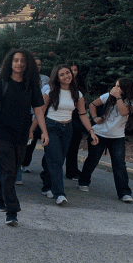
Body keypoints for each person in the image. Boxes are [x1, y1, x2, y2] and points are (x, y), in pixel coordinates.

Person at [0, 49, 49, 226]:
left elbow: (38, 110)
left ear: (27, 64)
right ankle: (12, 212)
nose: (19, 63)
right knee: (10, 172)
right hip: (2, 133)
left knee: (9, 170)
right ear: (10, 63)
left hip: (22, 134)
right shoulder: (0, 83)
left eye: (22, 61)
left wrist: (44, 131)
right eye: (16, 60)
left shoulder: (31, 84)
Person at [33, 64, 97, 205]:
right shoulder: (50, 91)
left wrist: (91, 131)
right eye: (61, 75)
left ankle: (47, 185)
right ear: (57, 78)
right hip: (51, 127)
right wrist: (35, 131)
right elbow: (39, 113)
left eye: (67, 73)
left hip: (67, 128)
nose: (66, 76)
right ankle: (60, 194)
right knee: (56, 159)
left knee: (58, 159)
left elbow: (82, 114)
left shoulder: (77, 94)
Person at [79, 78, 133, 202]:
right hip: (99, 133)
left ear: (126, 89)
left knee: (119, 164)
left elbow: (124, 112)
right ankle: (83, 181)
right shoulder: (107, 96)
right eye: (115, 86)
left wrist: (118, 97)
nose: (115, 88)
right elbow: (92, 105)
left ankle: (124, 193)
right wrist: (95, 118)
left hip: (117, 137)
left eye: (119, 86)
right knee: (92, 159)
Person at [21, 57, 48, 173]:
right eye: (35, 64)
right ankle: (24, 163)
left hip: (41, 113)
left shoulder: (45, 79)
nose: (37, 67)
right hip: (27, 113)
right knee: (29, 141)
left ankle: (45, 166)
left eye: (39, 65)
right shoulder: (23, 77)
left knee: (40, 138)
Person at [65, 62, 87, 180]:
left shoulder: (80, 85)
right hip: (63, 117)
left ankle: (72, 170)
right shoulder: (61, 84)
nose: (73, 72)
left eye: (75, 70)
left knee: (74, 145)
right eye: (71, 70)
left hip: (77, 118)